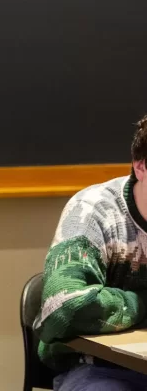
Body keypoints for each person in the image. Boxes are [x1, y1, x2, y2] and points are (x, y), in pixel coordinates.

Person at [34, 116, 147, 391]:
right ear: (141, 166)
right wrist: (143, 303)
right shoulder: (92, 211)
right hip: (100, 367)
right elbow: (64, 308)